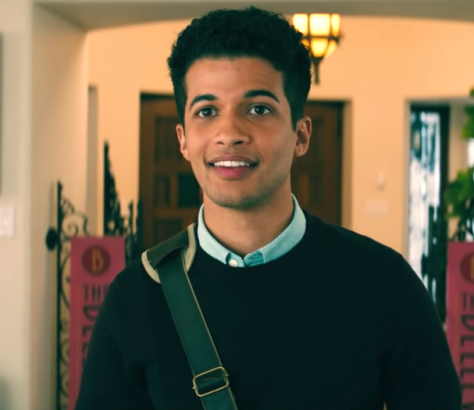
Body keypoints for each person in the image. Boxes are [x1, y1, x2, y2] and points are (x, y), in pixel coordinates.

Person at [75, 6, 461, 410]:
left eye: (258, 109)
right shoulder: (137, 298)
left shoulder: (384, 284)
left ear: (301, 135)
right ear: (183, 139)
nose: (229, 134)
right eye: (206, 111)